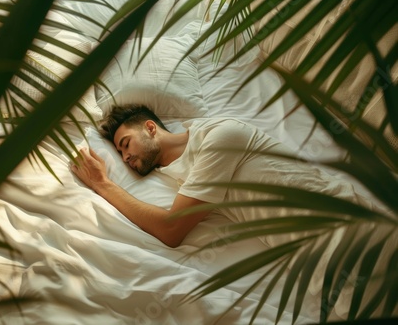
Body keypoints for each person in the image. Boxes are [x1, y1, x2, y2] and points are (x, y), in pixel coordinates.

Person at [71, 104, 383, 248]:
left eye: (126, 144)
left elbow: (172, 230)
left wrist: (102, 184)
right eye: (121, 155)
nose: (125, 158)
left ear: (150, 127)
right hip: (320, 258)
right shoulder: (170, 177)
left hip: (349, 224)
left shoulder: (219, 134)